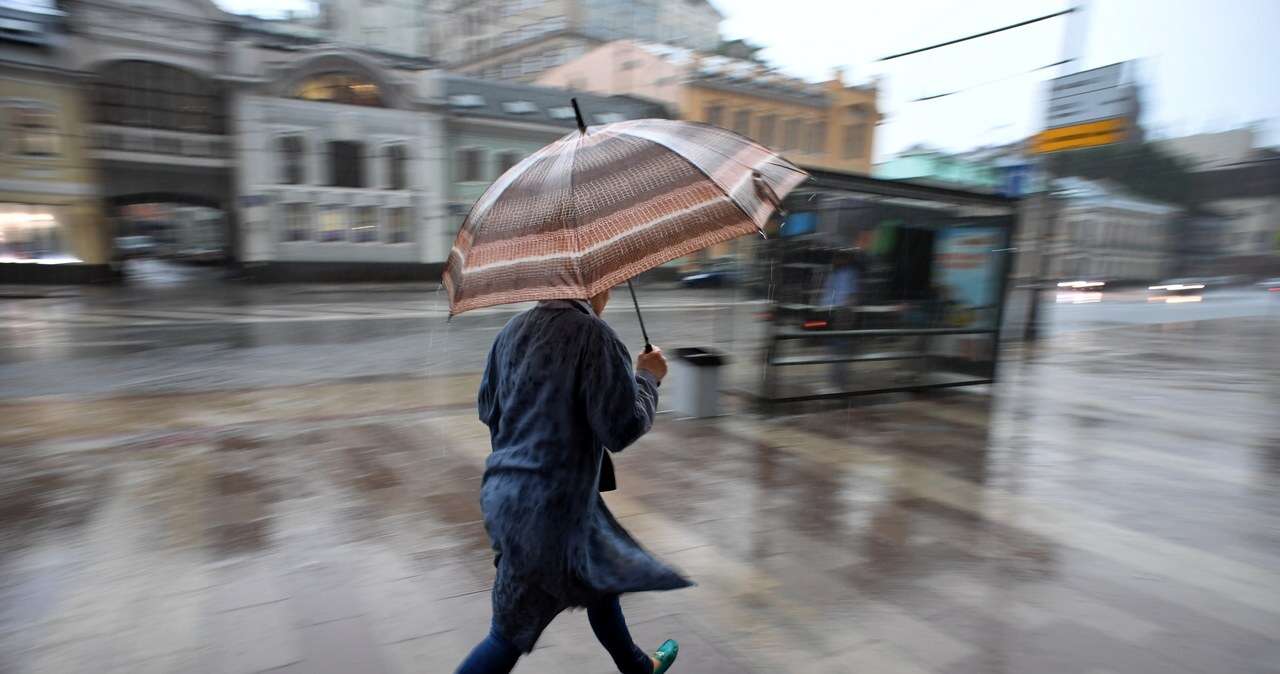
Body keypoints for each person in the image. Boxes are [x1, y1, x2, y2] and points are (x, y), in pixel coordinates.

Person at [455, 288, 690, 674]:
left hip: (509, 494)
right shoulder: (595, 336)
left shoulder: (509, 333)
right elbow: (621, 428)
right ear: (593, 283)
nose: (610, 292)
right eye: (608, 283)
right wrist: (648, 378)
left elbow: (488, 408)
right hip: (549, 510)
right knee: (507, 635)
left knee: (599, 577)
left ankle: (637, 667)